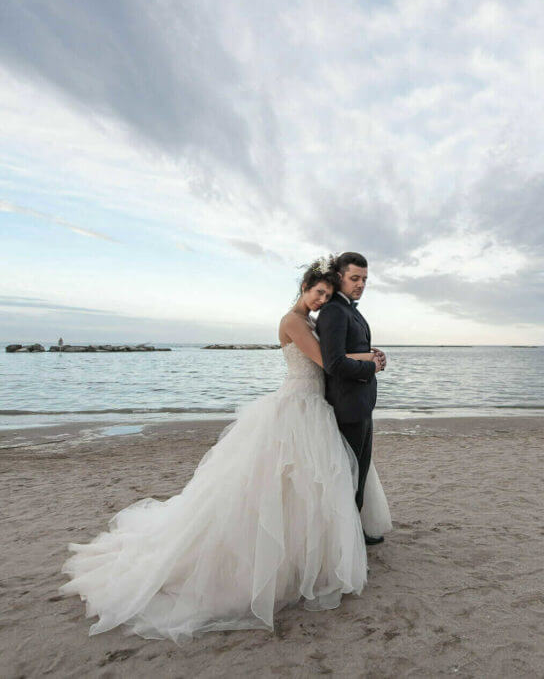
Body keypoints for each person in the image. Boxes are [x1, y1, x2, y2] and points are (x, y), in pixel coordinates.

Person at [59, 259, 391, 642]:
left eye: (327, 295)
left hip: (313, 405)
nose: (321, 300)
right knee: (286, 482)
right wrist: (372, 359)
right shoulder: (293, 322)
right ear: (303, 288)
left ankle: (309, 556)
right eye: (317, 292)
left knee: (308, 485)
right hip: (297, 405)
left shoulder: (312, 320)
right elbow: (326, 363)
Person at [315, 252, 387, 545]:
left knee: (360, 472)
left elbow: (353, 349)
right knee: (349, 478)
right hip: (347, 406)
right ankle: (347, 546)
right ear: (339, 277)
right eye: (355, 278)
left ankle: (354, 533)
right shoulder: (333, 311)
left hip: (361, 404)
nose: (360, 285)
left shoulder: (350, 310)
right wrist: (371, 366)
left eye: (365, 280)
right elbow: (333, 363)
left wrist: (374, 355)